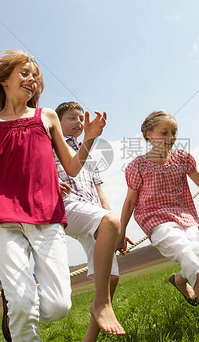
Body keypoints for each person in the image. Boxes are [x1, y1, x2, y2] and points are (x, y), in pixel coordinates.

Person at [0, 48, 108, 341]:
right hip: (4, 216)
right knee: (24, 308)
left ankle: (16, 306)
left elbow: (73, 168)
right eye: (24, 73)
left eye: (35, 77)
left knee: (58, 306)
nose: (32, 80)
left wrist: (89, 139)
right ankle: (19, 308)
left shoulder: (47, 116)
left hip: (47, 215)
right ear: (4, 80)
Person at [117, 110, 199, 330]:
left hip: (185, 218)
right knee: (189, 255)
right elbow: (130, 201)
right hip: (157, 222)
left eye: (174, 132)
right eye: (164, 132)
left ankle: (180, 280)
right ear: (149, 134)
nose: (171, 137)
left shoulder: (182, 158)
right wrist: (120, 234)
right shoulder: (137, 166)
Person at [54, 102, 127, 341]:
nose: (78, 122)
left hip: (93, 214)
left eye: (80, 119)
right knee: (107, 222)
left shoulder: (89, 155)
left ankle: (89, 338)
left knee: (111, 278)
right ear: (57, 122)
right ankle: (102, 305)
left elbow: (99, 191)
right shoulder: (51, 144)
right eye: (72, 118)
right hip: (67, 207)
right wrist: (51, 182)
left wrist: (114, 224)